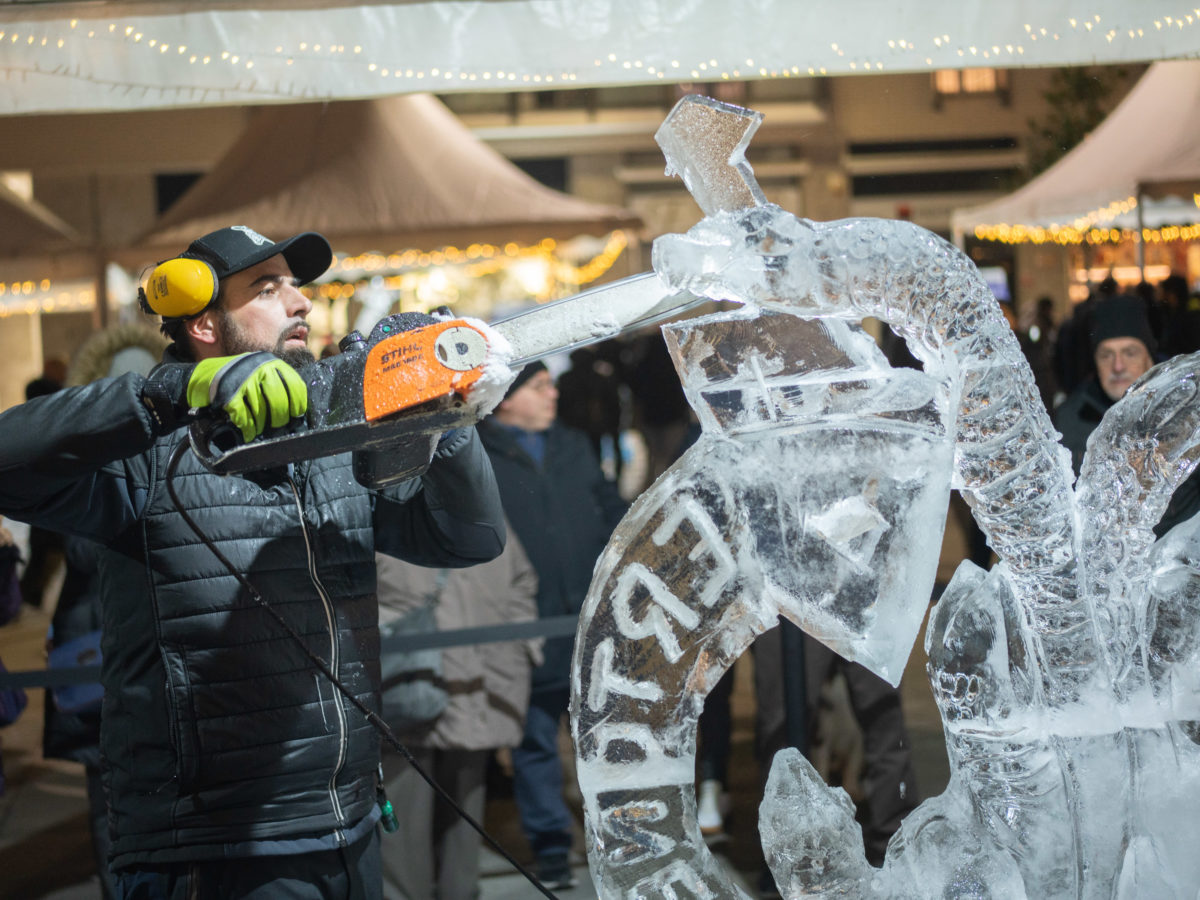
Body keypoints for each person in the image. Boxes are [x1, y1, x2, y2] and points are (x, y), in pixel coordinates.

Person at [0, 225, 507, 900]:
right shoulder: (143, 456)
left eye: (297, 286)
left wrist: (445, 421)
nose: (300, 303)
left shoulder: (331, 441)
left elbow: (467, 540)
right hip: (218, 845)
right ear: (204, 325)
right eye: (266, 289)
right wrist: (170, 392)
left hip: (347, 819)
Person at [477, 361, 627, 890]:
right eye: (539, 386)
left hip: (591, 623)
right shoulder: (480, 457)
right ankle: (552, 849)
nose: (553, 393)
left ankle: (620, 838)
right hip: (526, 626)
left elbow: (611, 510)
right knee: (536, 741)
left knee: (604, 739)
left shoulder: (573, 445)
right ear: (507, 398)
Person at [375, 525, 540, 900]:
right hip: (408, 684)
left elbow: (521, 580)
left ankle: (458, 893)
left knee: (464, 815)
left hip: (477, 684)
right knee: (405, 817)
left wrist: (521, 643)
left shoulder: (483, 515)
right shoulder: (383, 517)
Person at [1054, 293, 1200, 537]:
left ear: (1149, 356)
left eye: (1130, 352)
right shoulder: (1070, 418)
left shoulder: (1185, 412)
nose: (1118, 366)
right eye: (1106, 354)